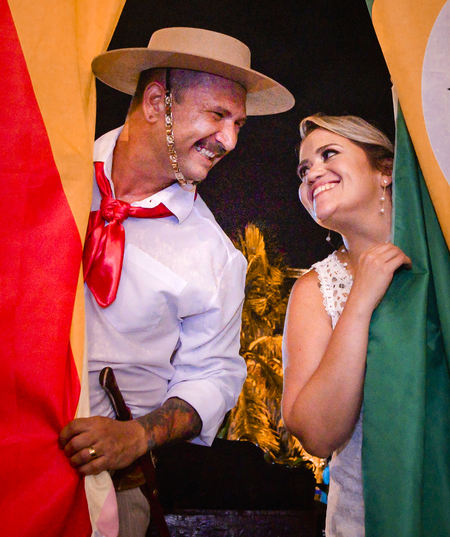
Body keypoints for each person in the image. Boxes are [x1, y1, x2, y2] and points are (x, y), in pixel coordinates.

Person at [59, 27, 293, 537]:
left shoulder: (216, 257)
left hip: (106, 493)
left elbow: (212, 378)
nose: (230, 140)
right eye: (217, 115)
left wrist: (134, 437)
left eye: (238, 124)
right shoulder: (48, 171)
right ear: (155, 103)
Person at [281, 114, 410, 537]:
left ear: (385, 171)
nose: (311, 173)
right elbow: (317, 435)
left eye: (328, 154)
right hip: (367, 517)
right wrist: (360, 300)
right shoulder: (314, 290)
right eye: (303, 169)